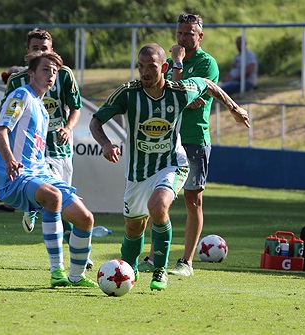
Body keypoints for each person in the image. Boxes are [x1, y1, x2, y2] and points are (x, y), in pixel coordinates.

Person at [89, 43, 250, 290]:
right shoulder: (128, 93)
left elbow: (207, 83)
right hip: (137, 173)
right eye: (141, 66)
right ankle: (128, 272)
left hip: (172, 164)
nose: (144, 72)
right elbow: (95, 122)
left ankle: (160, 270)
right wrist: (106, 144)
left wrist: (235, 109)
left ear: (164, 67)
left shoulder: (179, 91)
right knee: (133, 226)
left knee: (158, 205)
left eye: (151, 67)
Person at [0, 51, 97, 288]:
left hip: (40, 173)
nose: (50, 75)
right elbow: (0, 132)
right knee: (53, 197)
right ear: (31, 73)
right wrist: (10, 160)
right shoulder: (20, 95)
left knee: (85, 219)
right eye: (45, 69)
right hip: (16, 176)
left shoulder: (41, 107)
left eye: (54, 71)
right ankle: (56, 271)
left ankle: (77, 276)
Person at [136, 13, 221, 277]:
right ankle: (153, 256)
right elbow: (170, 90)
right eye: (179, 33)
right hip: (167, 139)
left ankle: (186, 262)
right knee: (156, 198)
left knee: (192, 199)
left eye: (189, 33)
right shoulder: (169, 61)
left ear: (200, 36)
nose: (183, 38)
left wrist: (177, 64)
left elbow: (185, 93)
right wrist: (177, 80)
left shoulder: (208, 64)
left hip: (194, 137)